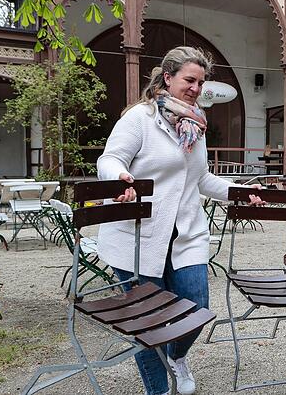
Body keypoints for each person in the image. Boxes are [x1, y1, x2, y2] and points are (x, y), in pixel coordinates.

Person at [96, 46, 263, 395]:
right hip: (139, 238)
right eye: (190, 80)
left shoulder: (195, 124)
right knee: (148, 323)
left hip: (185, 234)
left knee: (196, 308)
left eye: (201, 82)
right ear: (168, 78)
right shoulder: (140, 118)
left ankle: (177, 356)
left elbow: (203, 180)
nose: (196, 88)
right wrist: (120, 179)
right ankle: (158, 391)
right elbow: (110, 159)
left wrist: (241, 191)